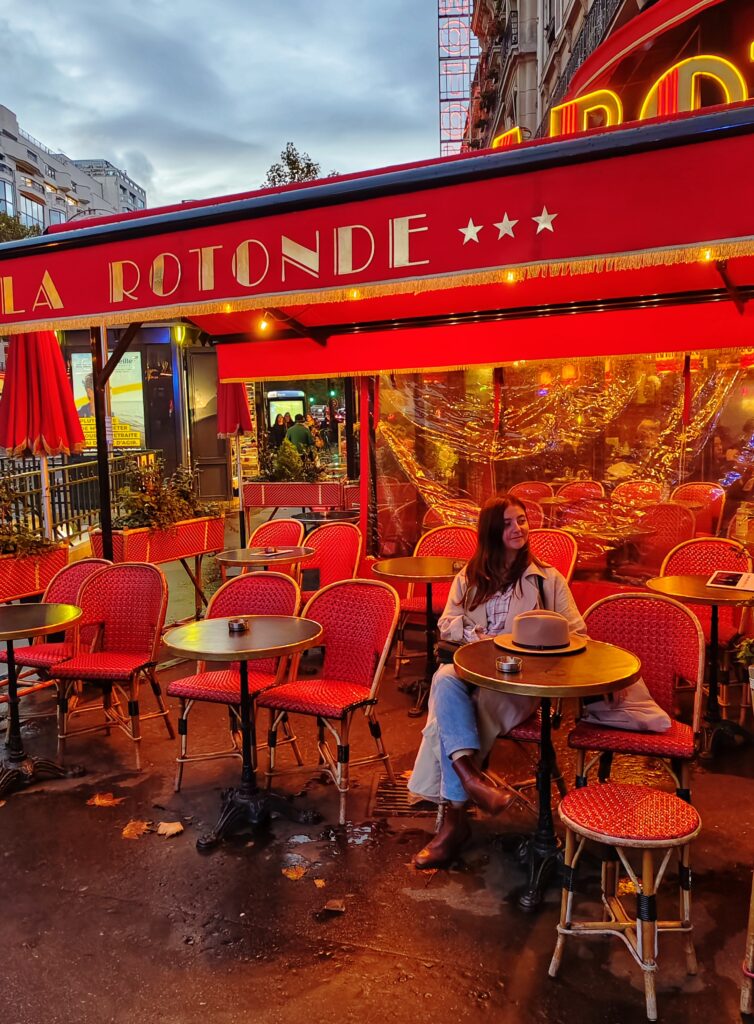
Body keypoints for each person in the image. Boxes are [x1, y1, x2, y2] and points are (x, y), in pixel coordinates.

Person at [408, 495, 669, 871]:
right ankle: (471, 779)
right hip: (474, 672)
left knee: (449, 717)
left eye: (522, 520)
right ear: (491, 532)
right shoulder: (470, 577)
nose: (518, 529)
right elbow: (447, 622)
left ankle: (454, 821)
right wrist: (475, 635)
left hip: (522, 684)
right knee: (445, 678)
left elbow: (578, 632)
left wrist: (541, 640)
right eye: (507, 523)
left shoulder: (547, 580)